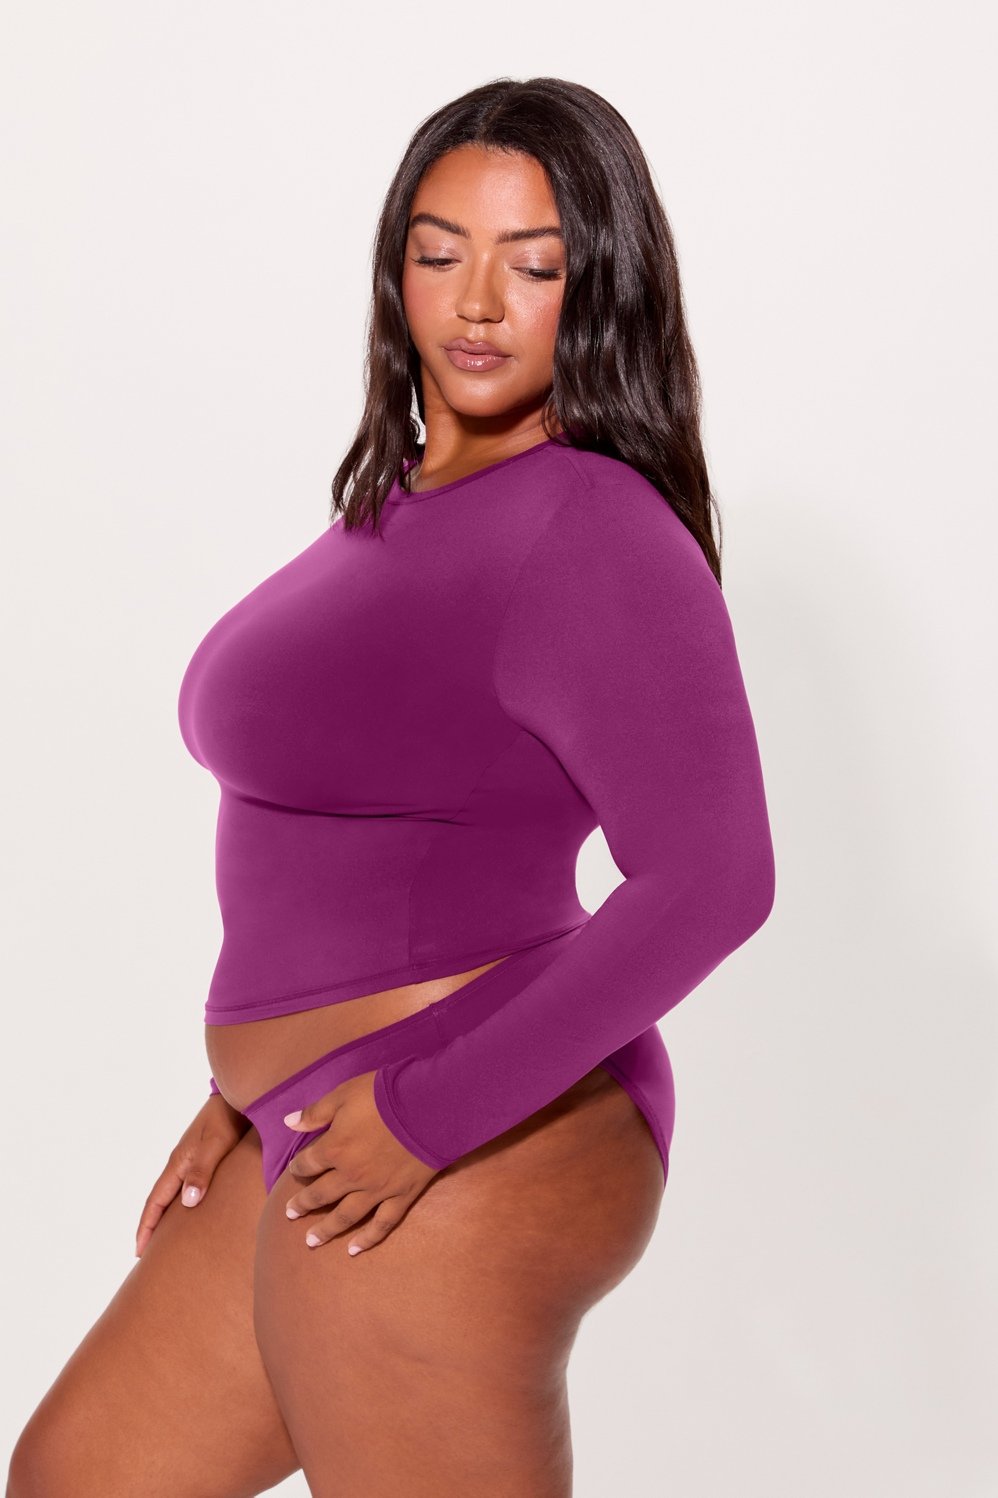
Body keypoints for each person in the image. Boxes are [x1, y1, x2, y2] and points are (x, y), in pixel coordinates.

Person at [7, 76, 776, 1497]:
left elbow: (715, 879)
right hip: (309, 1108)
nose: (476, 302)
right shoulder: (396, 508)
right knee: (81, 1477)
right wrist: (242, 1087)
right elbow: (361, 847)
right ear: (394, 270)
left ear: (598, 287)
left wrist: (430, 1108)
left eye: (532, 265)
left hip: (478, 1106)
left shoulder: (593, 526)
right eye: (439, 252)